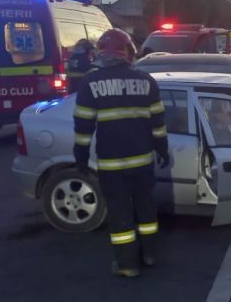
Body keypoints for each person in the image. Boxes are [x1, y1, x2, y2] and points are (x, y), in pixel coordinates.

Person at [73, 29, 170, 278]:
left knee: (119, 213)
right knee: (146, 210)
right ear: (128, 52)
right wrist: (162, 148)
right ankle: (149, 255)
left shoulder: (90, 83)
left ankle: (127, 265)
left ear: (101, 53)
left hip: (111, 164)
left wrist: (81, 157)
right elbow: (158, 122)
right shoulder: (146, 81)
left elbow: (83, 127)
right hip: (143, 161)